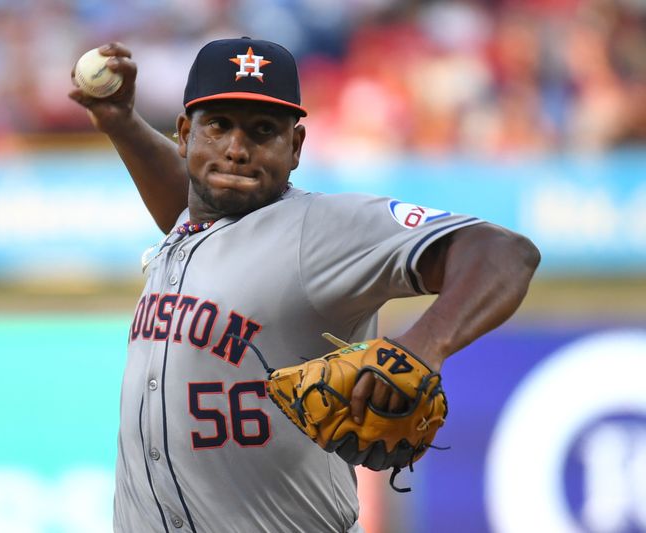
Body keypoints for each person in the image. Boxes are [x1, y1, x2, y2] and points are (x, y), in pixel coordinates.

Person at [69, 37, 540, 533]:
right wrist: (122, 124)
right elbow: (197, 206)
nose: (235, 149)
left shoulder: (319, 230)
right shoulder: (191, 229)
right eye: (218, 126)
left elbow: (505, 254)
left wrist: (421, 348)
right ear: (184, 134)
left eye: (263, 131)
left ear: (294, 147)